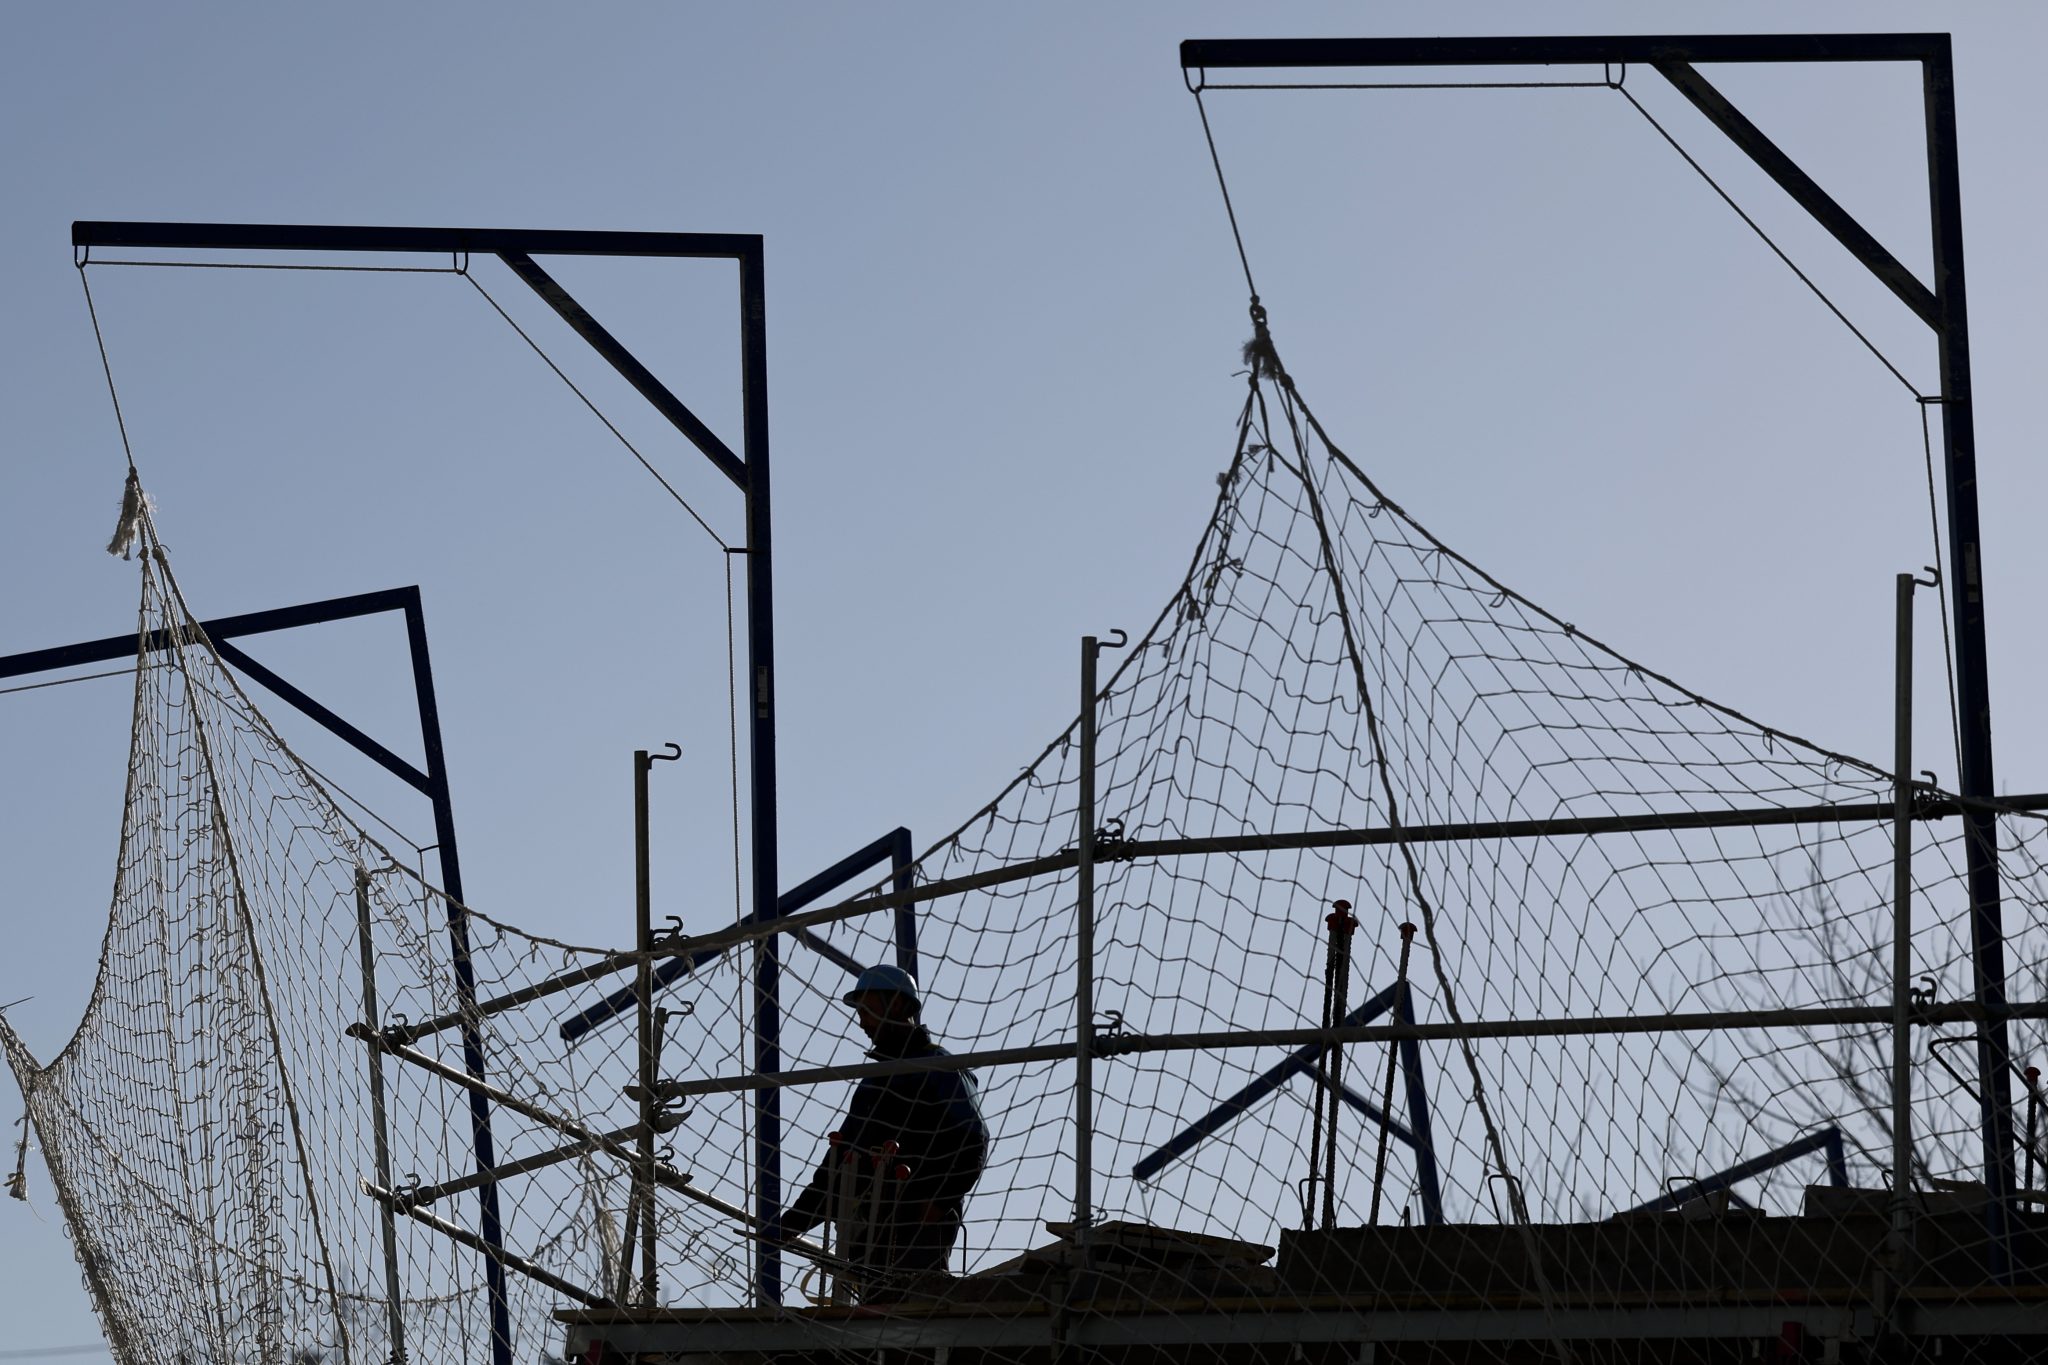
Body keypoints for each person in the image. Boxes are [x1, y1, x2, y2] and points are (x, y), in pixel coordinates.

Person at [780, 965, 987, 1289]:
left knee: (914, 1304)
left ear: (898, 1004)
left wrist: (936, 1200)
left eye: (867, 1010)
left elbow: (972, 1139)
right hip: (871, 1232)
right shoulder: (875, 1081)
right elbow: (840, 1162)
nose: (861, 1022)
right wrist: (792, 1223)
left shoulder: (939, 1067)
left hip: (918, 1230)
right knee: (879, 1309)